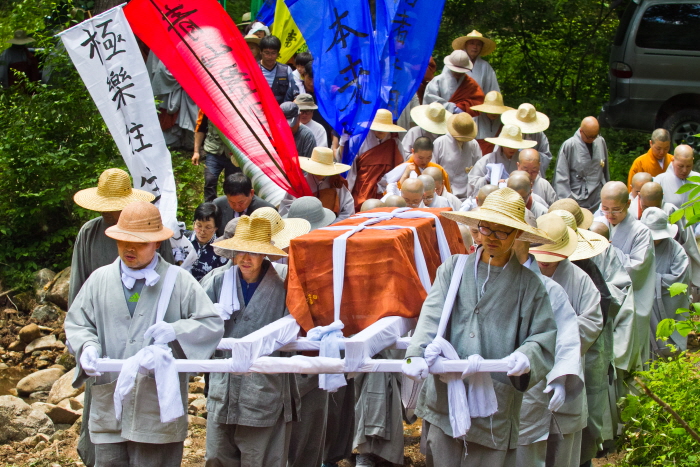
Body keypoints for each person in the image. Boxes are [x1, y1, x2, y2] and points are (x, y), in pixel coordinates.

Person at [402, 187, 557, 465]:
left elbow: (543, 335)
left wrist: (527, 356)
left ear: (517, 234)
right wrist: (417, 351)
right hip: (446, 390)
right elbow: (432, 315)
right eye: (486, 229)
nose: (492, 238)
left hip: (495, 398)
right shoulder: (454, 268)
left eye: (502, 231)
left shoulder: (529, 285)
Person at [65, 201, 223, 467]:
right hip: (109, 400)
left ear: (157, 243)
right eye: (124, 241)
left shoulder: (178, 280)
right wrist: (86, 346)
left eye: (139, 243)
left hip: (156, 404)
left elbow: (211, 324)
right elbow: (79, 323)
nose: (129, 249)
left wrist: (176, 331)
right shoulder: (99, 280)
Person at [68, 168, 174, 467]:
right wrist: (80, 340)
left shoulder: (151, 230)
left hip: (145, 328)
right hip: (103, 333)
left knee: (145, 407)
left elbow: (166, 282)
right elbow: (78, 293)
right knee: (102, 406)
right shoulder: (89, 233)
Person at [201, 216, 298, 467]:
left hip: (265, 387)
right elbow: (198, 323)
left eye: (255, 252)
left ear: (265, 254)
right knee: (217, 456)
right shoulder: (217, 281)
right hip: (223, 385)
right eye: (241, 251)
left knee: (261, 458)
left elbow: (299, 327)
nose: (246, 258)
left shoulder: (285, 282)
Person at [516, 214, 588, 467]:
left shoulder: (567, 284)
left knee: (533, 450)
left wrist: (560, 375)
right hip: (491, 378)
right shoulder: (472, 272)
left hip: (537, 379)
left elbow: (573, 333)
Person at [548, 210, 612, 466]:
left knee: (567, 442)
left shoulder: (582, 276)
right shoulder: (525, 271)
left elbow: (594, 318)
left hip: (573, 361)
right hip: (531, 370)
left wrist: (554, 335)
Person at [598, 181, 656, 369]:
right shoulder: (599, 224)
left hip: (632, 301)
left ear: (628, 204)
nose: (610, 215)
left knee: (630, 355)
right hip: (604, 298)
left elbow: (636, 268)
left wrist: (609, 249)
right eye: (605, 208)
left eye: (616, 210)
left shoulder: (641, 232)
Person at [640, 207, 691, 357]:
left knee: (669, 350)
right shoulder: (637, 245)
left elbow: (678, 282)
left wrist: (650, 279)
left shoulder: (676, 250)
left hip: (665, 307)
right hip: (642, 305)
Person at [346, 109, 406, 211]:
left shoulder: (395, 144)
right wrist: (349, 191)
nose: (381, 131)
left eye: (384, 128)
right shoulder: (358, 141)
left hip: (387, 189)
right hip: (362, 188)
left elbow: (401, 169)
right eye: (378, 128)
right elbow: (352, 170)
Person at [279, 147, 354, 222]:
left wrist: (333, 224)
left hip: (333, 227)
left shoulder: (336, 183)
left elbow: (348, 209)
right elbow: (286, 210)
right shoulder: (299, 185)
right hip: (306, 226)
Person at [554, 117, 610, 210]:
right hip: (578, 196)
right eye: (589, 137)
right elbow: (561, 177)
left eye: (595, 136)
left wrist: (607, 190)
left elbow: (605, 170)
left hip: (598, 195)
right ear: (581, 131)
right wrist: (566, 203)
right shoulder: (569, 145)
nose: (592, 139)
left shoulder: (600, 141)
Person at [467, 124, 536, 197]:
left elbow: (534, 179)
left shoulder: (523, 160)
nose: (512, 149)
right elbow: (472, 182)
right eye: (509, 146)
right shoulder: (488, 159)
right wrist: (486, 180)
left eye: (515, 146)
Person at [192, 111, 241, 202]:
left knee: (234, 184)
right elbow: (200, 128)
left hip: (234, 154)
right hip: (213, 151)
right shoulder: (206, 106)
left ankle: (231, 208)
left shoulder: (239, 106)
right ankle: (210, 208)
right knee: (210, 180)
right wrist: (196, 152)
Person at [432, 113, 482, 200]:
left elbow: (479, 169)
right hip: (445, 193)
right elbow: (433, 169)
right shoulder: (440, 143)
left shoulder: (473, 144)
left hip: (468, 193)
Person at [381, 136, 452, 194]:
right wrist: (405, 175)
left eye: (429, 157)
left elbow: (447, 193)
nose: (424, 161)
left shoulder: (438, 169)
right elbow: (392, 193)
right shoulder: (403, 169)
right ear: (412, 151)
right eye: (420, 158)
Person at [423, 50, 485, 116]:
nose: (458, 73)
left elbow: (477, 102)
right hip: (438, 118)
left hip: (460, 120)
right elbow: (431, 100)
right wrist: (453, 108)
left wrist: (462, 108)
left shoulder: (470, 83)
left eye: (461, 71)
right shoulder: (437, 81)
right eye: (455, 70)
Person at [501, 104, 553, 176]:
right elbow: (500, 152)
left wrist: (530, 155)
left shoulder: (539, 134)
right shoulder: (508, 130)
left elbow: (546, 156)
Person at [183, 203, 228, 281]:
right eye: (199, 226)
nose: (202, 231)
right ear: (194, 224)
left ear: (216, 228)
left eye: (208, 227)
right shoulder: (183, 241)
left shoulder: (221, 250)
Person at [451, 30, 499, 94]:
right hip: (455, 102)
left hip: (479, 102)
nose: (475, 47)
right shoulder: (454, 61)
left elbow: (493, 90)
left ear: (481, 47)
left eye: (478, 44)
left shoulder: (485, 66)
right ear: (465, 45)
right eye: (472, 43)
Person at [654, 144, 699, 209]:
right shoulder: (660, 180)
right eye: (680, 166)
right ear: (673, 160)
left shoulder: (698, 178)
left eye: (688, 166)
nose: (684, 170)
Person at [259, 35, 298, 104]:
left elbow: (294, 91)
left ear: (278, 54)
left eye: (273, 53)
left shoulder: (286, 70)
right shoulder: (254, 69)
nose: (270, 57)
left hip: (281, 109)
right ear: (261, 52)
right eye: (267, 53)